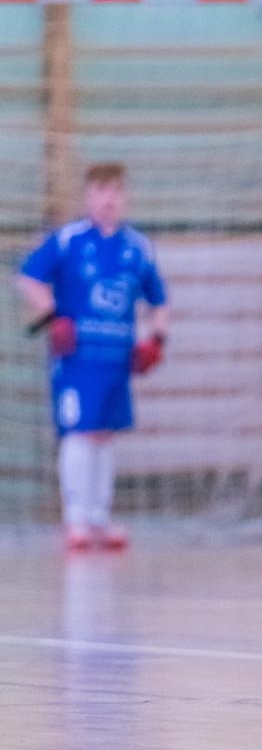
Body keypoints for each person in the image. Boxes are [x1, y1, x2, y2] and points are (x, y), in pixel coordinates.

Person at [15, 162, 168, 551]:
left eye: (116, 191)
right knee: (79, 432)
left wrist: (156, 341)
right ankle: (76, 520)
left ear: (126, 196)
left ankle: (99, 518)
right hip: (77, 359)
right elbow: (28, 278)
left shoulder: (138, 247)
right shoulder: (68, 240)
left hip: (116, 360)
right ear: (88, 197)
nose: (108, 199)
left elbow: (158, 300)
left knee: (103, 435)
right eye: (100, 191)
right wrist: (53, 317)